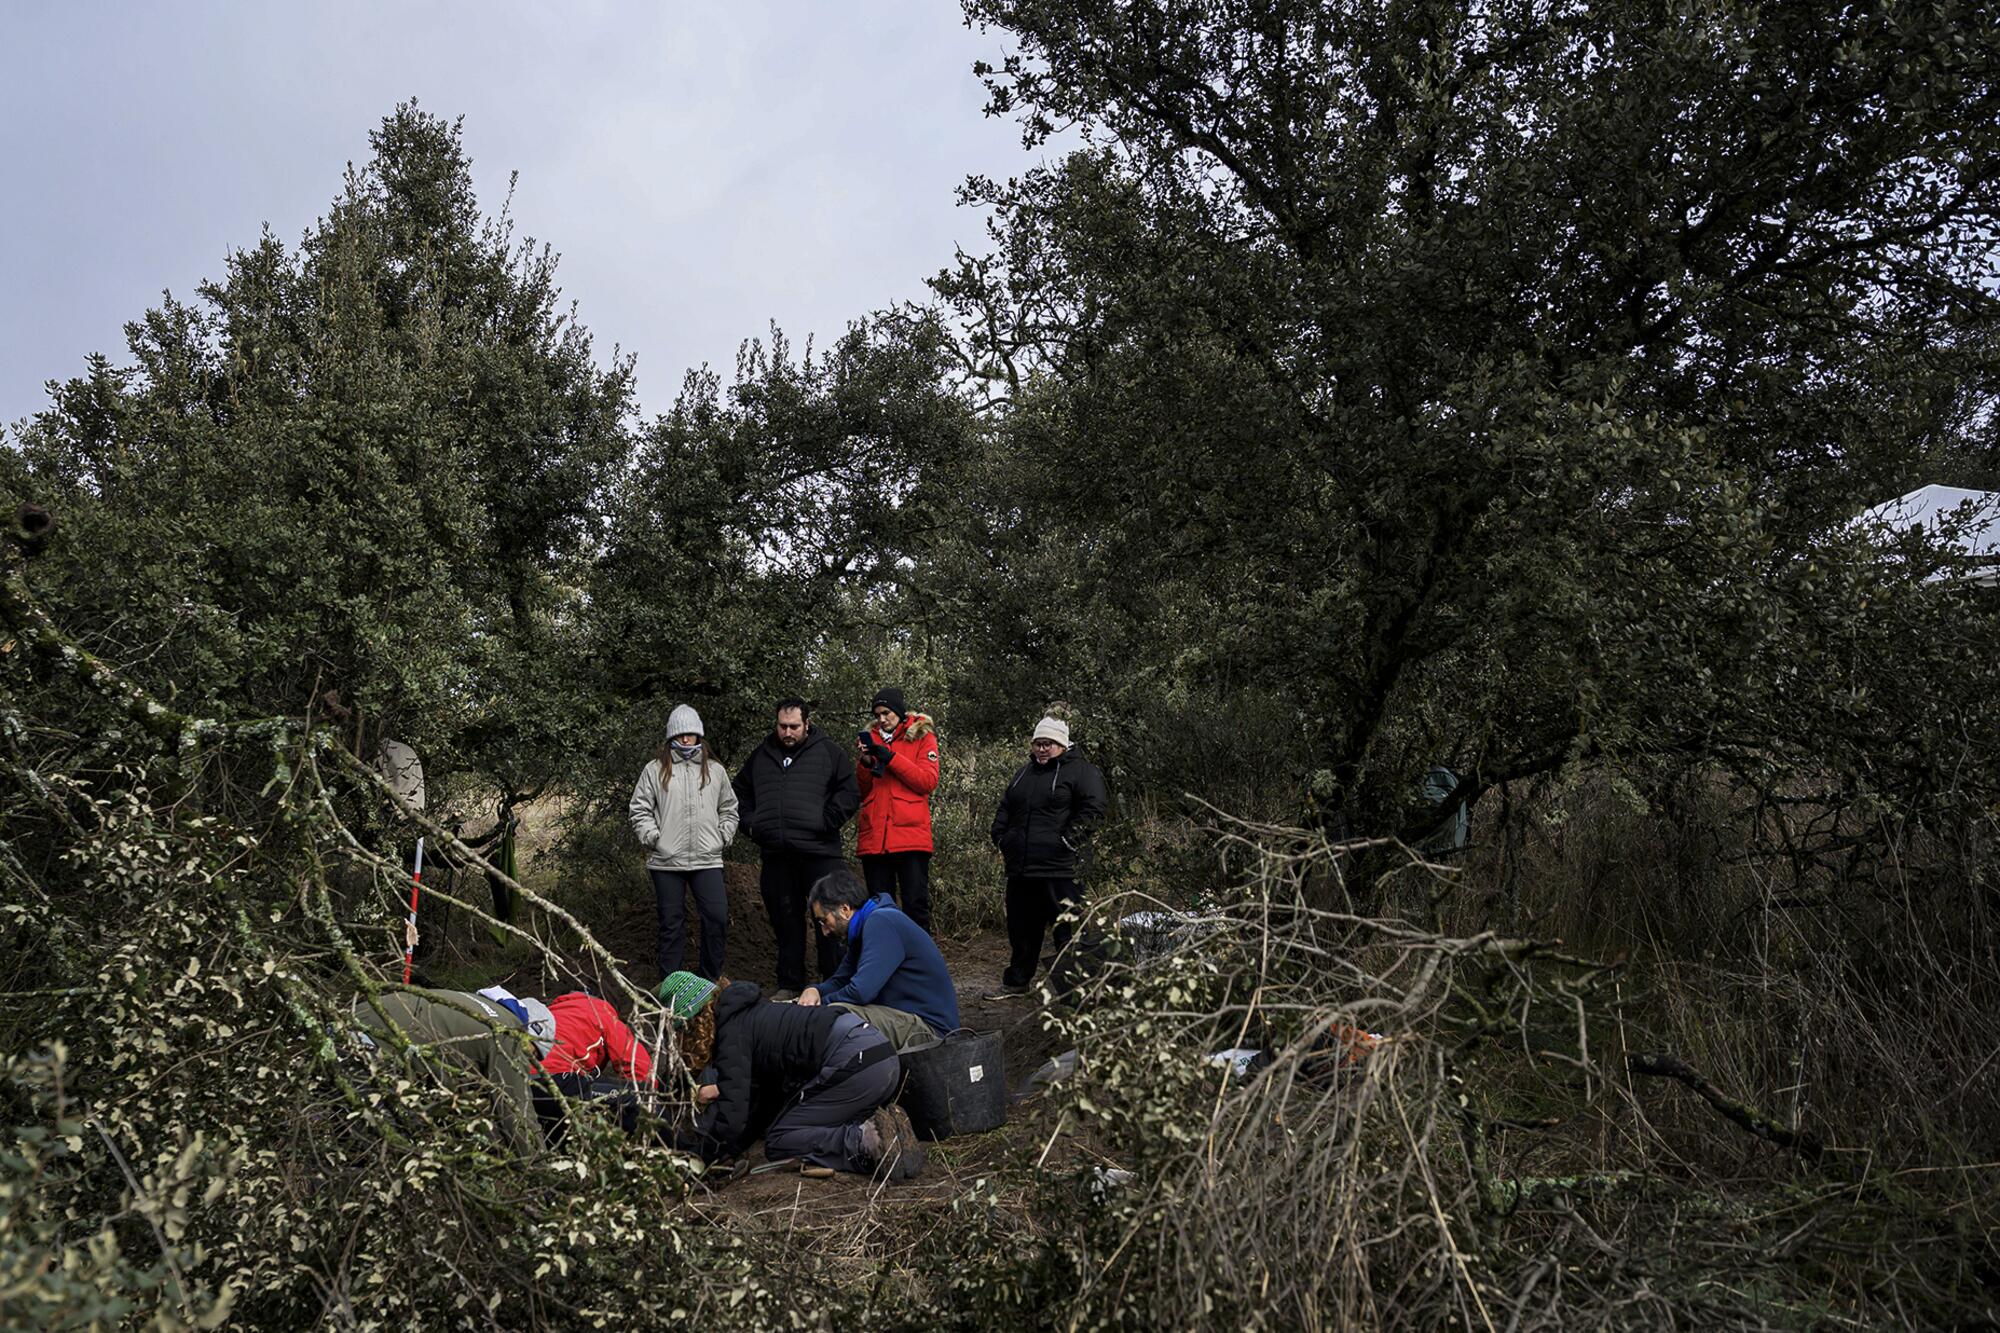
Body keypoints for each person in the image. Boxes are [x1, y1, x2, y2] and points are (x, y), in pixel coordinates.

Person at [655, 971, 923, 1178]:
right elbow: (763, 1102)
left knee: (781, 1140)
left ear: (693, 1022)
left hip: (855, 1063)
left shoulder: (732, 1033)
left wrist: (703, 1159)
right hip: (881, 1056)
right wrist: (731, 1151)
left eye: (680, 1033)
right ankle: (888, 1128)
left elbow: (732, 1114)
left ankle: (867, 1141)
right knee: (793, 1124)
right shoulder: (752, 1013)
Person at [731, 698, 860, 996]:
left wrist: (827, 820)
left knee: (830, 922)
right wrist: (752, 825)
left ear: (807, 724)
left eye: (794, 727)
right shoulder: (761, 756)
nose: (787, 732)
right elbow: (738, 793)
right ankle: (790, 984)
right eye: (782, 726)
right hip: (777, 855)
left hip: (821, 854)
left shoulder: (828, 752)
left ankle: (834, 984)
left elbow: (850, 791)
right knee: (785, 921)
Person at [986, 715, 1109, 999]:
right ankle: (1017, 983)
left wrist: (1066, 841)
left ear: (1062, 745)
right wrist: (1001, 836)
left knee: (1069, 931)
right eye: (1038, 744)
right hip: (1022, 869)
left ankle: (1079, 993)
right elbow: (1006, 807)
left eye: (1049, 744)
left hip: (1061, 869)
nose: (1042, 749)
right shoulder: (1023, 774)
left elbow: (1093, 809)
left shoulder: (1081, 771)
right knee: (1022, 932)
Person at [353, 987, 553, 1154]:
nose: (529, 1063)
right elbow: (517, 1114)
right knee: (397, 1150)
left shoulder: (476, 1006)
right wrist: (543, 1171)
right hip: (373, 1050)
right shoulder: (510, 1032)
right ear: (531, 1034)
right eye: (533, 1055)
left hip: (351, 1019)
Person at [629, 704, 739, 980]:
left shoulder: (715, 771)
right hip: (666, 862)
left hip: (707, 858)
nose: (687, 740)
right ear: (671, 738)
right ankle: (672, 987)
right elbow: (639, 809)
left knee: (716, 918)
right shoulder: (654, 771)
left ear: (700, 736)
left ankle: (709, 981)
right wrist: (655, 838)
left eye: (691, 734)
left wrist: (723, 836)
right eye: (681, 735)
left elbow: (729, 808)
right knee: (671, 925)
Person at [800, 868, 960, 1051]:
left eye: (824, 921)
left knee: (835, 1015)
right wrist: (815, 991)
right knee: (830, 1011)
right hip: (907, 1020)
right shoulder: (864, 928)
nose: (824, 931)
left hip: (931, 1031)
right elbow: (840, 980)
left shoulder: (882, 922)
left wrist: (820, 1005)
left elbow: (861, 992)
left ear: (844, 909)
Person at [852, 686, 941, 932]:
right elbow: (862, 791)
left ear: (898, 712)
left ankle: (921, 966)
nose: (881, 719)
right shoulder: (871, 737)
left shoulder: (922, 736)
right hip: (875, 837)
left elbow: (927, 781)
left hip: (911, 836)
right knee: (880, 908)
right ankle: (887, 962)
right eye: (877, 714)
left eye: (886, 713)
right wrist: (866, 763)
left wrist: (890, 758)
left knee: (915, 905)